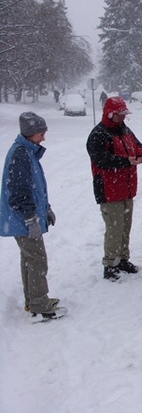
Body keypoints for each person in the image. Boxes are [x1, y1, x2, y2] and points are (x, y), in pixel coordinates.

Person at [86, 96, 142, 281]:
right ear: (110, 114)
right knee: (114, 229)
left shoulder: (124, 129)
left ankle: (123, 259)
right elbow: (102, 160)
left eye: (124, 115)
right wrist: (126, 161)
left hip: (126, 188)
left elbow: (137, 147)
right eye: (120, 115)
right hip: (109, 191)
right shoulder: (98, 134)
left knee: (125, 227)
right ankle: (110, 264)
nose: (123, 118)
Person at [0, 112, 61, 317]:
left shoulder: (26, 151)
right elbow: (19, 192)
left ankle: (32, 300)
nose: (43, 137)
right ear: (30, 133)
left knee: (29, 258)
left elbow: (36, 188)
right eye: (40, 133)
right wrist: (30, 219)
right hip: (23, 219)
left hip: (25, 218)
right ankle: (39, 304)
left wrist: (46, 209)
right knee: (37, 260)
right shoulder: (20, 155)